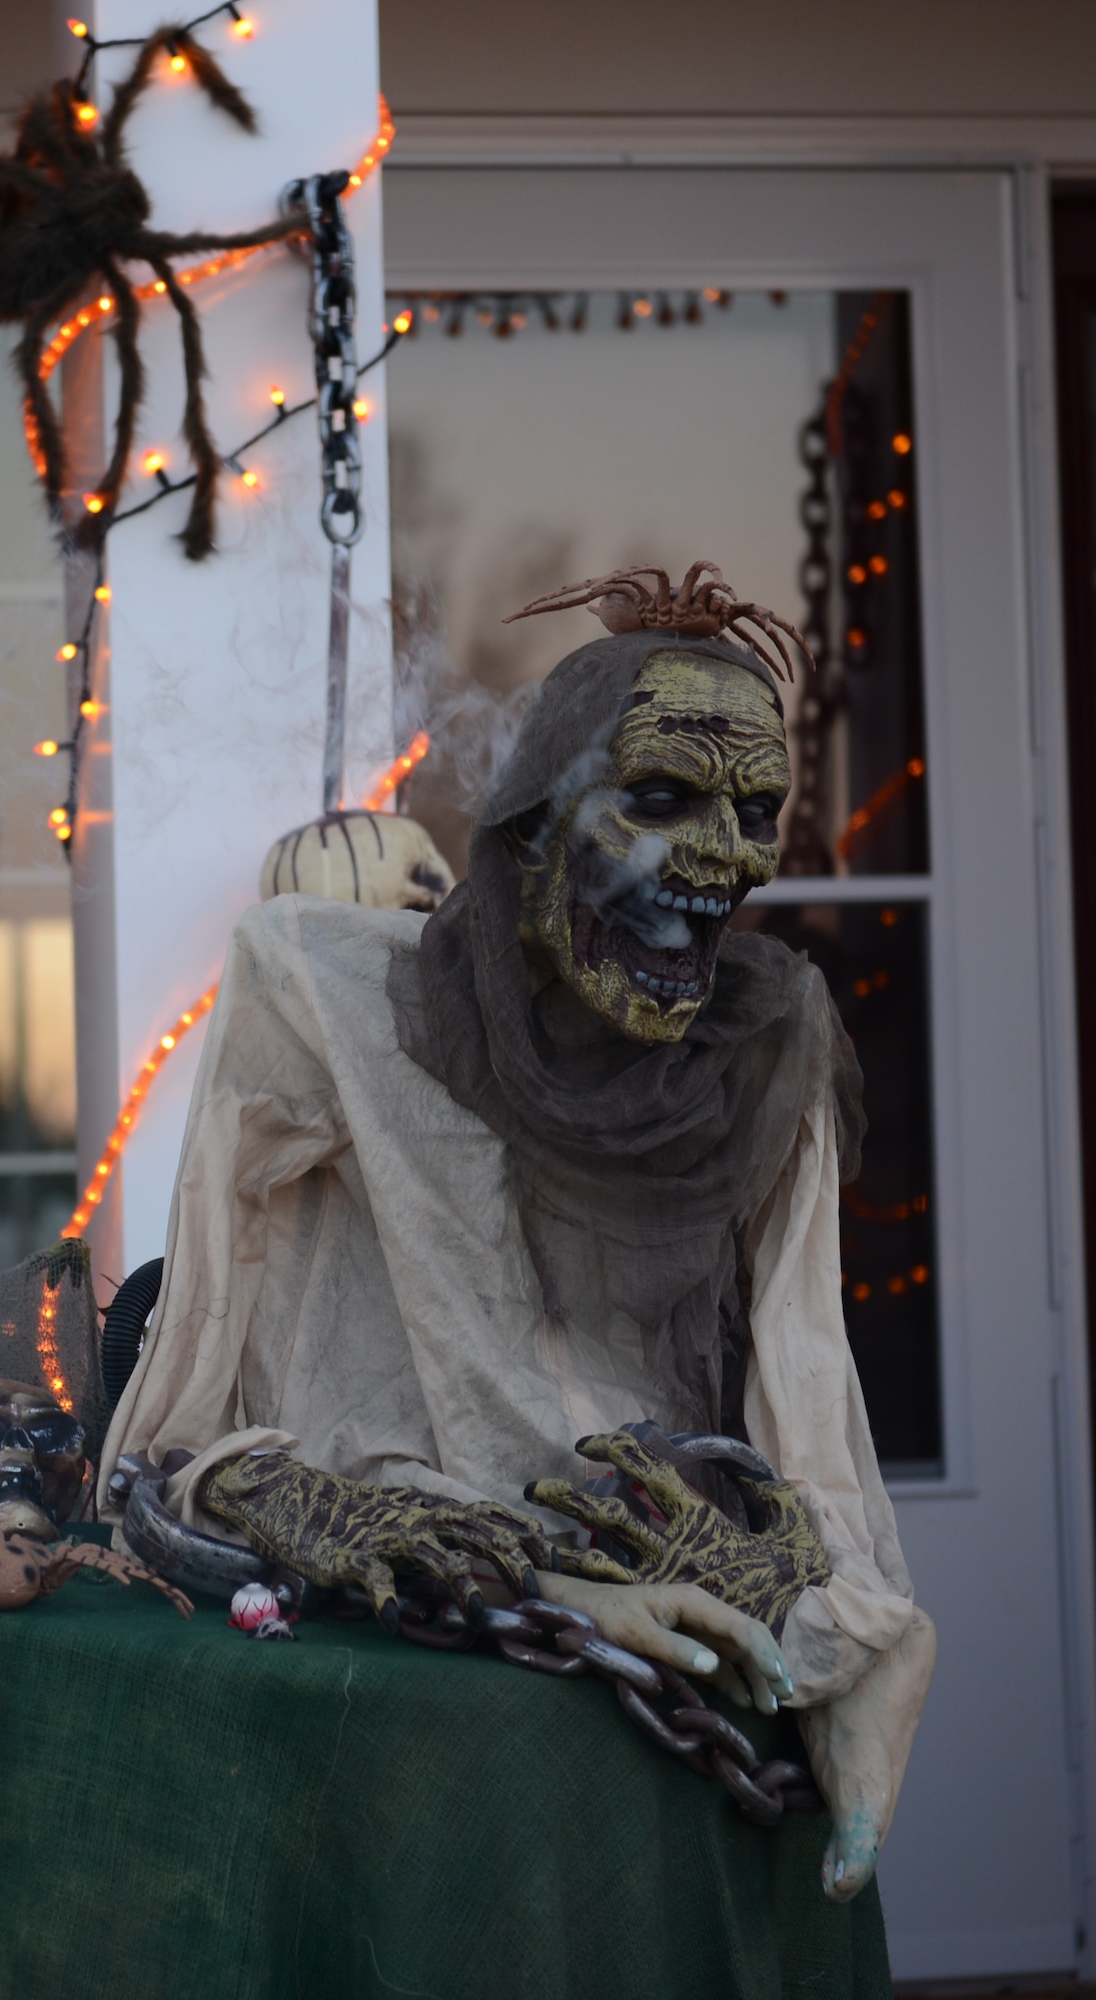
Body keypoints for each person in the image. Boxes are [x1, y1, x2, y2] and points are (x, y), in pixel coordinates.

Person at [99, 562, 936, 1902]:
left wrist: (854, 1635)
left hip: (683, 1572)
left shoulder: (765, 1041)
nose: (723, 858)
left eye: (755, 813)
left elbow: (805, 1376)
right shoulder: (326, 989)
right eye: (657, 799)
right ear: (534, 822)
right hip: (432, 1596)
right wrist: (521, 1580)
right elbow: (182, 1422)